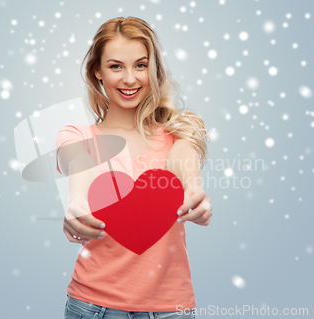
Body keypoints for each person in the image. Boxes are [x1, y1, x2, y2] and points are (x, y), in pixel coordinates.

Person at [55, 16, 212, 319]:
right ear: (97, 72)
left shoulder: (181, 131)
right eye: (116, 66)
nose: (130, 79)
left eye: (140, 65)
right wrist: (76, 201)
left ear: (153, 69)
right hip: (91, 307)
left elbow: (183, 158)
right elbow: (79, 161)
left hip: (170, 309)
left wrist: (194, 189)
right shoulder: (78, 136)